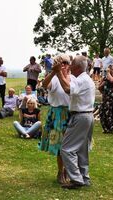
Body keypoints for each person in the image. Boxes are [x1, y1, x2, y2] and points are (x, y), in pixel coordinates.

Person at [53, 55, 95, 189]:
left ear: (76, 67)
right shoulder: (85, 79)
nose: (69, 66)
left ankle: (76, 179)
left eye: (71, 64)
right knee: (82, 150)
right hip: (87, 116)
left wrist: (58, 72)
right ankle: (84, 177)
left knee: (66, 149)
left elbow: (67, 89)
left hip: (80, 116)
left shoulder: (81, 80)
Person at [39, 54, 71, 184]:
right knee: (60, 146)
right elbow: (44, 85)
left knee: (71, 145)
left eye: (65, 63)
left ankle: (68, 171)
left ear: (69, 65)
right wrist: (54, 72)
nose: (62, 65)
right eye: (60, 63)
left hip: (71, 113)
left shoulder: (73, 78)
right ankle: (60, 171)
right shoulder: (54, 79)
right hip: (57, 113)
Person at [98, 65, 113, 133]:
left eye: (112, 69)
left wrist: (108, 73)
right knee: (103, 112)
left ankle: (111, 128)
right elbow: (99, 87)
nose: (111, 70)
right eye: (109, 69)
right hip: (105, 97)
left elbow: (112, 80)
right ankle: (105, 128)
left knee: (110, 112)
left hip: (111, 97)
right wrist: (103, 88)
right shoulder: (104, 78)